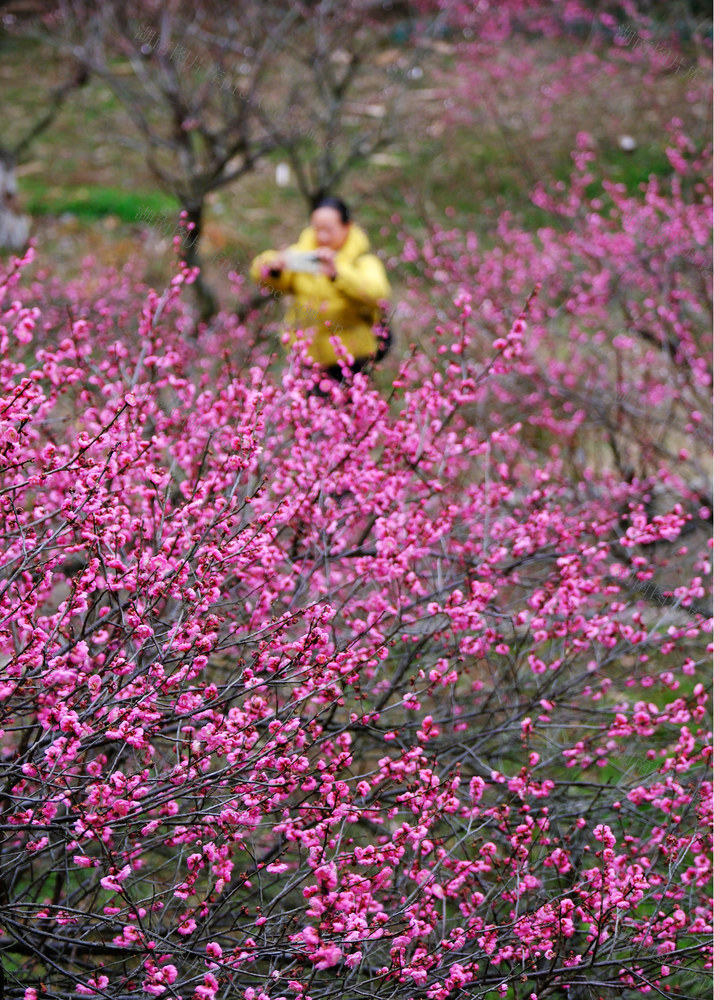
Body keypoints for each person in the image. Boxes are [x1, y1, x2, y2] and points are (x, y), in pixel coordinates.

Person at [249, 196, 391, 380]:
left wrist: (337, 274)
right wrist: (272, 268)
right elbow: (265, 277)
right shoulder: (303, 256)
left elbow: (377, 294)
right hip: (307, 358)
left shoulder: (363, 261)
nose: (322, 236)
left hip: (352, 359)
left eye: (329, 230)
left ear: (347, 227)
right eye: (317, 229)